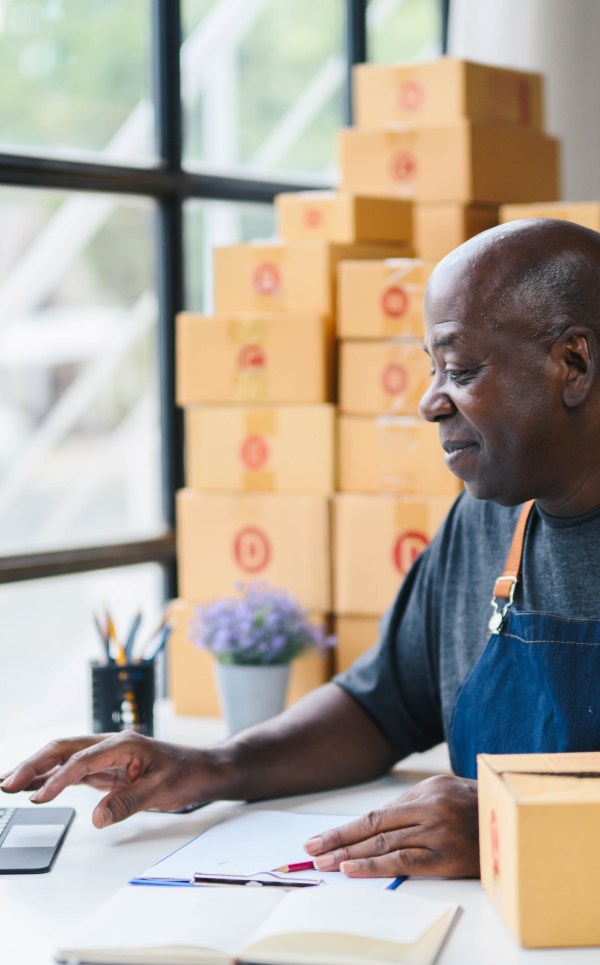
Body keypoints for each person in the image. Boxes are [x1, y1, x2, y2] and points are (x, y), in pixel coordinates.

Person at [3, 217, 600, 880]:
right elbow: (380, 707)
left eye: (459, 368)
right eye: (433, 371)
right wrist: (213, 766)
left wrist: (511, 821)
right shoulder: (489, 523)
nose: (431, 402)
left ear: (572, 364)